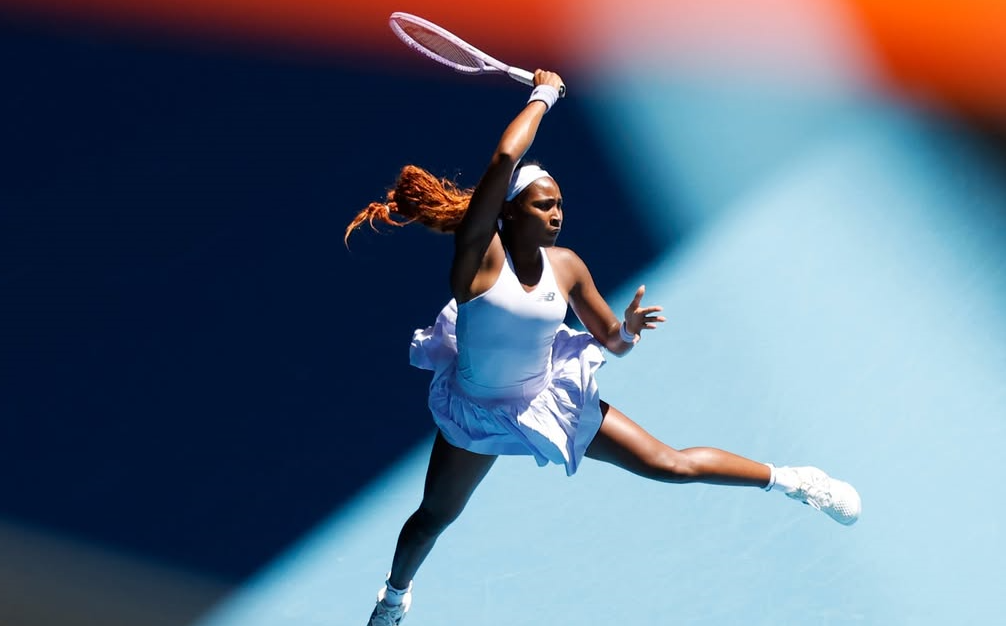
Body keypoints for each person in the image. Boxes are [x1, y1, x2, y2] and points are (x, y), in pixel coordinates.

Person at [345, 70, 861, 626]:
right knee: (433, 519)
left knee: (670, 465)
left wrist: (630, 330)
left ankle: (791, 480)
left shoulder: (566, 268)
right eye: (544, 205)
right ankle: (394, 598)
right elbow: (501, 163)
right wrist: (543, 96)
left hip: (550, 399)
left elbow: (613, 342)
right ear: (511, 211)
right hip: (475, 412)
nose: (558, 213)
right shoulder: (479, 258)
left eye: (560, 205)